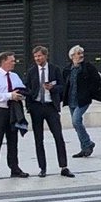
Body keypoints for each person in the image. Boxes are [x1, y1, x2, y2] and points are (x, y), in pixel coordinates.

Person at [25, 44, 73, 177]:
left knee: (58, 136)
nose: (37, 58)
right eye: (35, 56)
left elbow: (62, 86)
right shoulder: (31, 71)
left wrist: (52, 88)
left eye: (39, 56)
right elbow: (27, 88)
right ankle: (42, 168)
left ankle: (64, 166)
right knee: (38, 138)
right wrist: (29, 103)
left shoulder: (54, 69)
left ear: (45, 56)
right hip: (36, 106)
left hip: (51, 106)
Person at [0, 51, 30, 181]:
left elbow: (22, 88)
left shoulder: (15, 76)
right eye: (11, 61)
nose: (14, 63)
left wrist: (21, 93)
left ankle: (14, 168)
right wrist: (10, 95)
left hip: (12, 111)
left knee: (13, 140)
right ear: (4, 61)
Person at [62, 43, 101, 159]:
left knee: (76, 121)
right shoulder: (67, 69)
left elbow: (96, 81)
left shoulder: (88, 67)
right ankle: (85, 147)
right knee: (76, 124)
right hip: (71, 100)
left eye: (81, 53)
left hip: (83, 100)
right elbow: (64, 84)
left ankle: (87, 143)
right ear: (72, 56)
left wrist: (89, 92)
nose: (81, 55)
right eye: (78, 54)